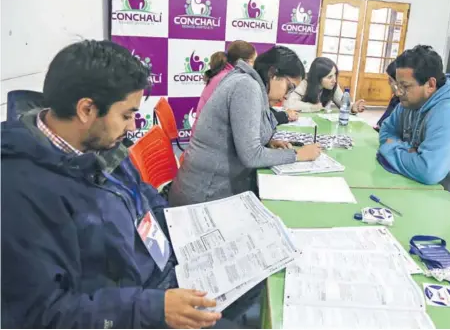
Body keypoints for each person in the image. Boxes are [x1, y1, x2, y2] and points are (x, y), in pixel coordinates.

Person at [0, 40, 254, 329]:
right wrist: (154, 308)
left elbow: (143, 198)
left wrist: (189, 230)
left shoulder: (98, 142)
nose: (133, 126)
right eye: (126, 115)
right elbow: (44, 314)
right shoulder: (18, 194)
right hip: (132, 311)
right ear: (86, 110)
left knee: (257, 277)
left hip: (163, 276)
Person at [169, 46, 322, 206]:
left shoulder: (248, 82)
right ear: (273, 73)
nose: (286, 95)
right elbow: (251, 156)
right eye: (289, 87)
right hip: (204, 197)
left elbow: (241, 134)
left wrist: (268, 143)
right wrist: (297, 155)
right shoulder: (247, 87)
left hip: (211, 187)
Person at [378, 45, 450, 217]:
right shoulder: (409, 102)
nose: (398, 92)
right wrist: (409, 152)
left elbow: (428, 171)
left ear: (430, 84)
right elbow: (386, 130)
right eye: (396, 85)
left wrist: (390, 147)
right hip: (426, 189)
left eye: (405, 86)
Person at [283, 57, 365, 113]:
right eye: (329, 77)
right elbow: (288, 104)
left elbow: (343, 104)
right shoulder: (305, 84)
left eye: (335, 75)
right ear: (318, 78)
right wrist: (312, 107)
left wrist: (353, 108)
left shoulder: (333, 86)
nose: (334, 80)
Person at [374, 59, 400, 132]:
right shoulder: (395, 98)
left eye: (391, 80)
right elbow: (381, 123)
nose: (388, 82)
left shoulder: (405, 103)